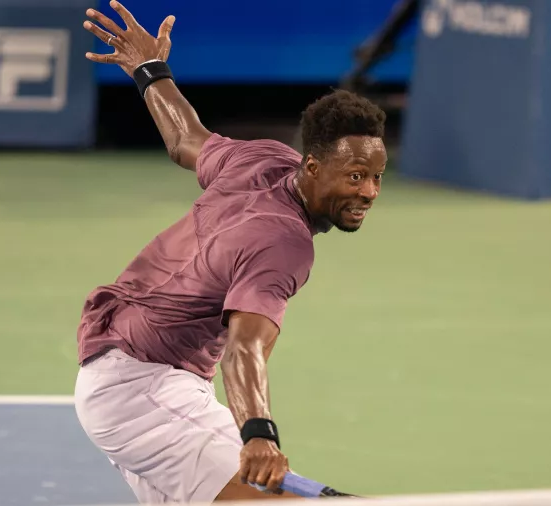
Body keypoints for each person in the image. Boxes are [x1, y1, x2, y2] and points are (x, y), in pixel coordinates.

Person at [73, 1, 388, 503]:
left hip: (134, 376)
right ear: (311, 167)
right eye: (354, 177)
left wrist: (150, 71)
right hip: (144, 391)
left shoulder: (264, 159)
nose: (369, 192)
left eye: (375, 177)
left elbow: (184, 140)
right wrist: (259, 432)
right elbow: (245, 347)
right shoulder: (284, 243)